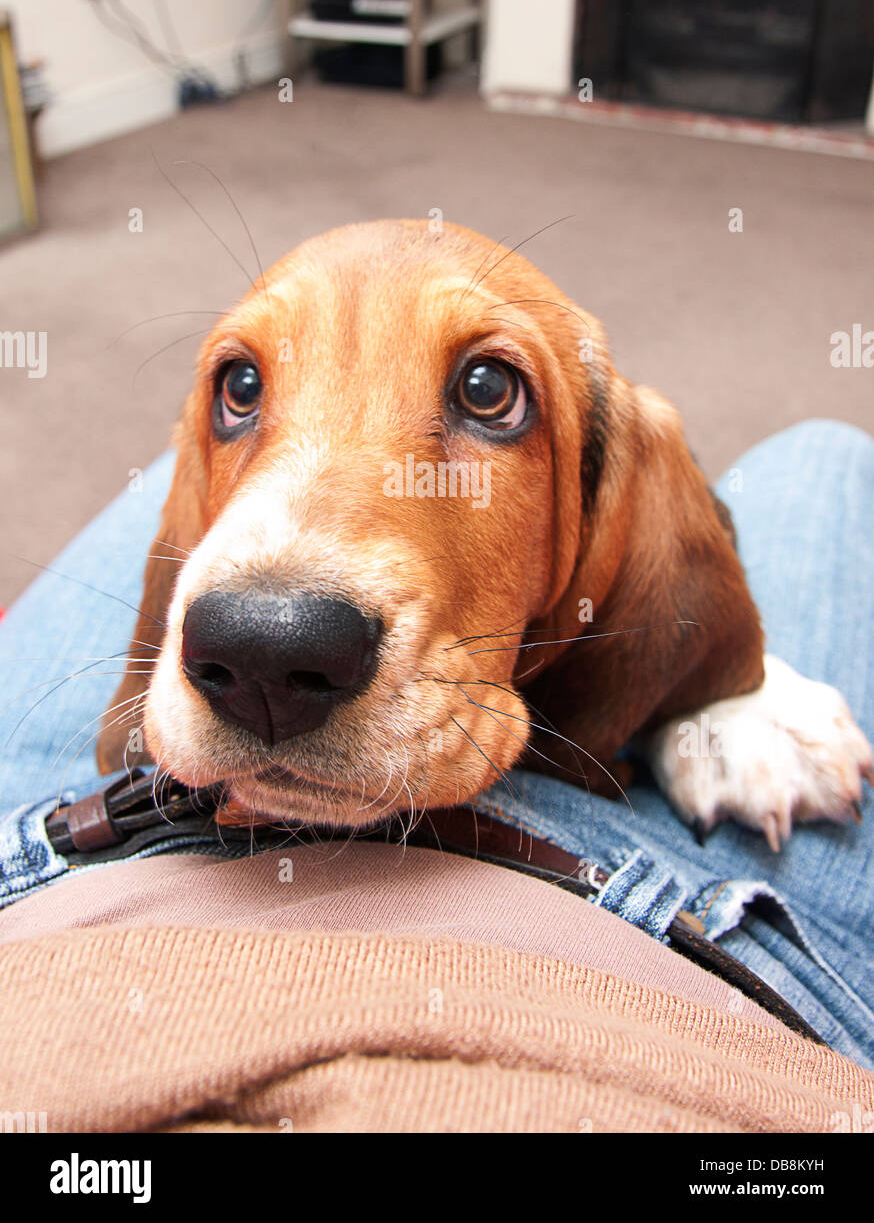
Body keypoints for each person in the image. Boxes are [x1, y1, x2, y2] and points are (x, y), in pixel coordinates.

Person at [1, 418, 872, 1079]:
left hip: (60, 865)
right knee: (824, 451)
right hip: (681, 932)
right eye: (244, 390)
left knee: (184, 467)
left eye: (488, 396)